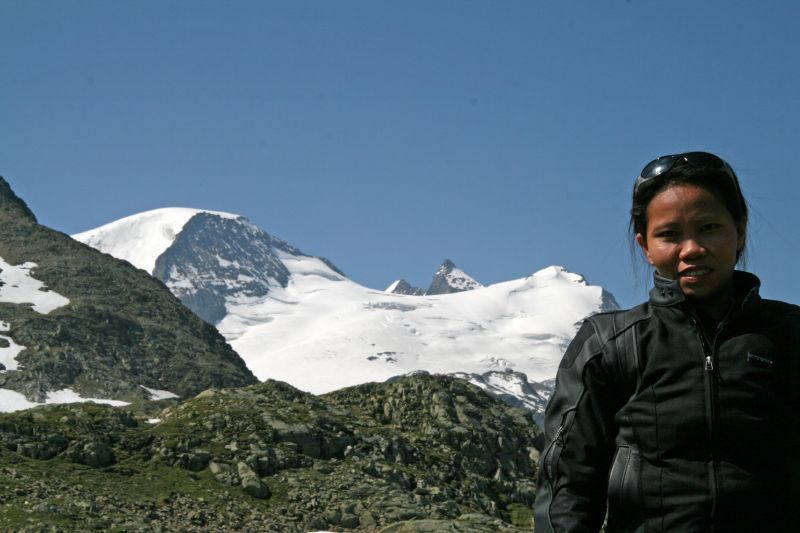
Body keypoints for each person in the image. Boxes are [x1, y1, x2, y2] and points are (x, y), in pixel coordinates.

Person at [534, 151, 800, 532]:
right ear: (645, 245)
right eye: (669, 235)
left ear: (739, 230)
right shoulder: (609, 344)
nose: (691, 249)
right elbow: (568, 483)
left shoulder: (790, 334)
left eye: (709, 227)